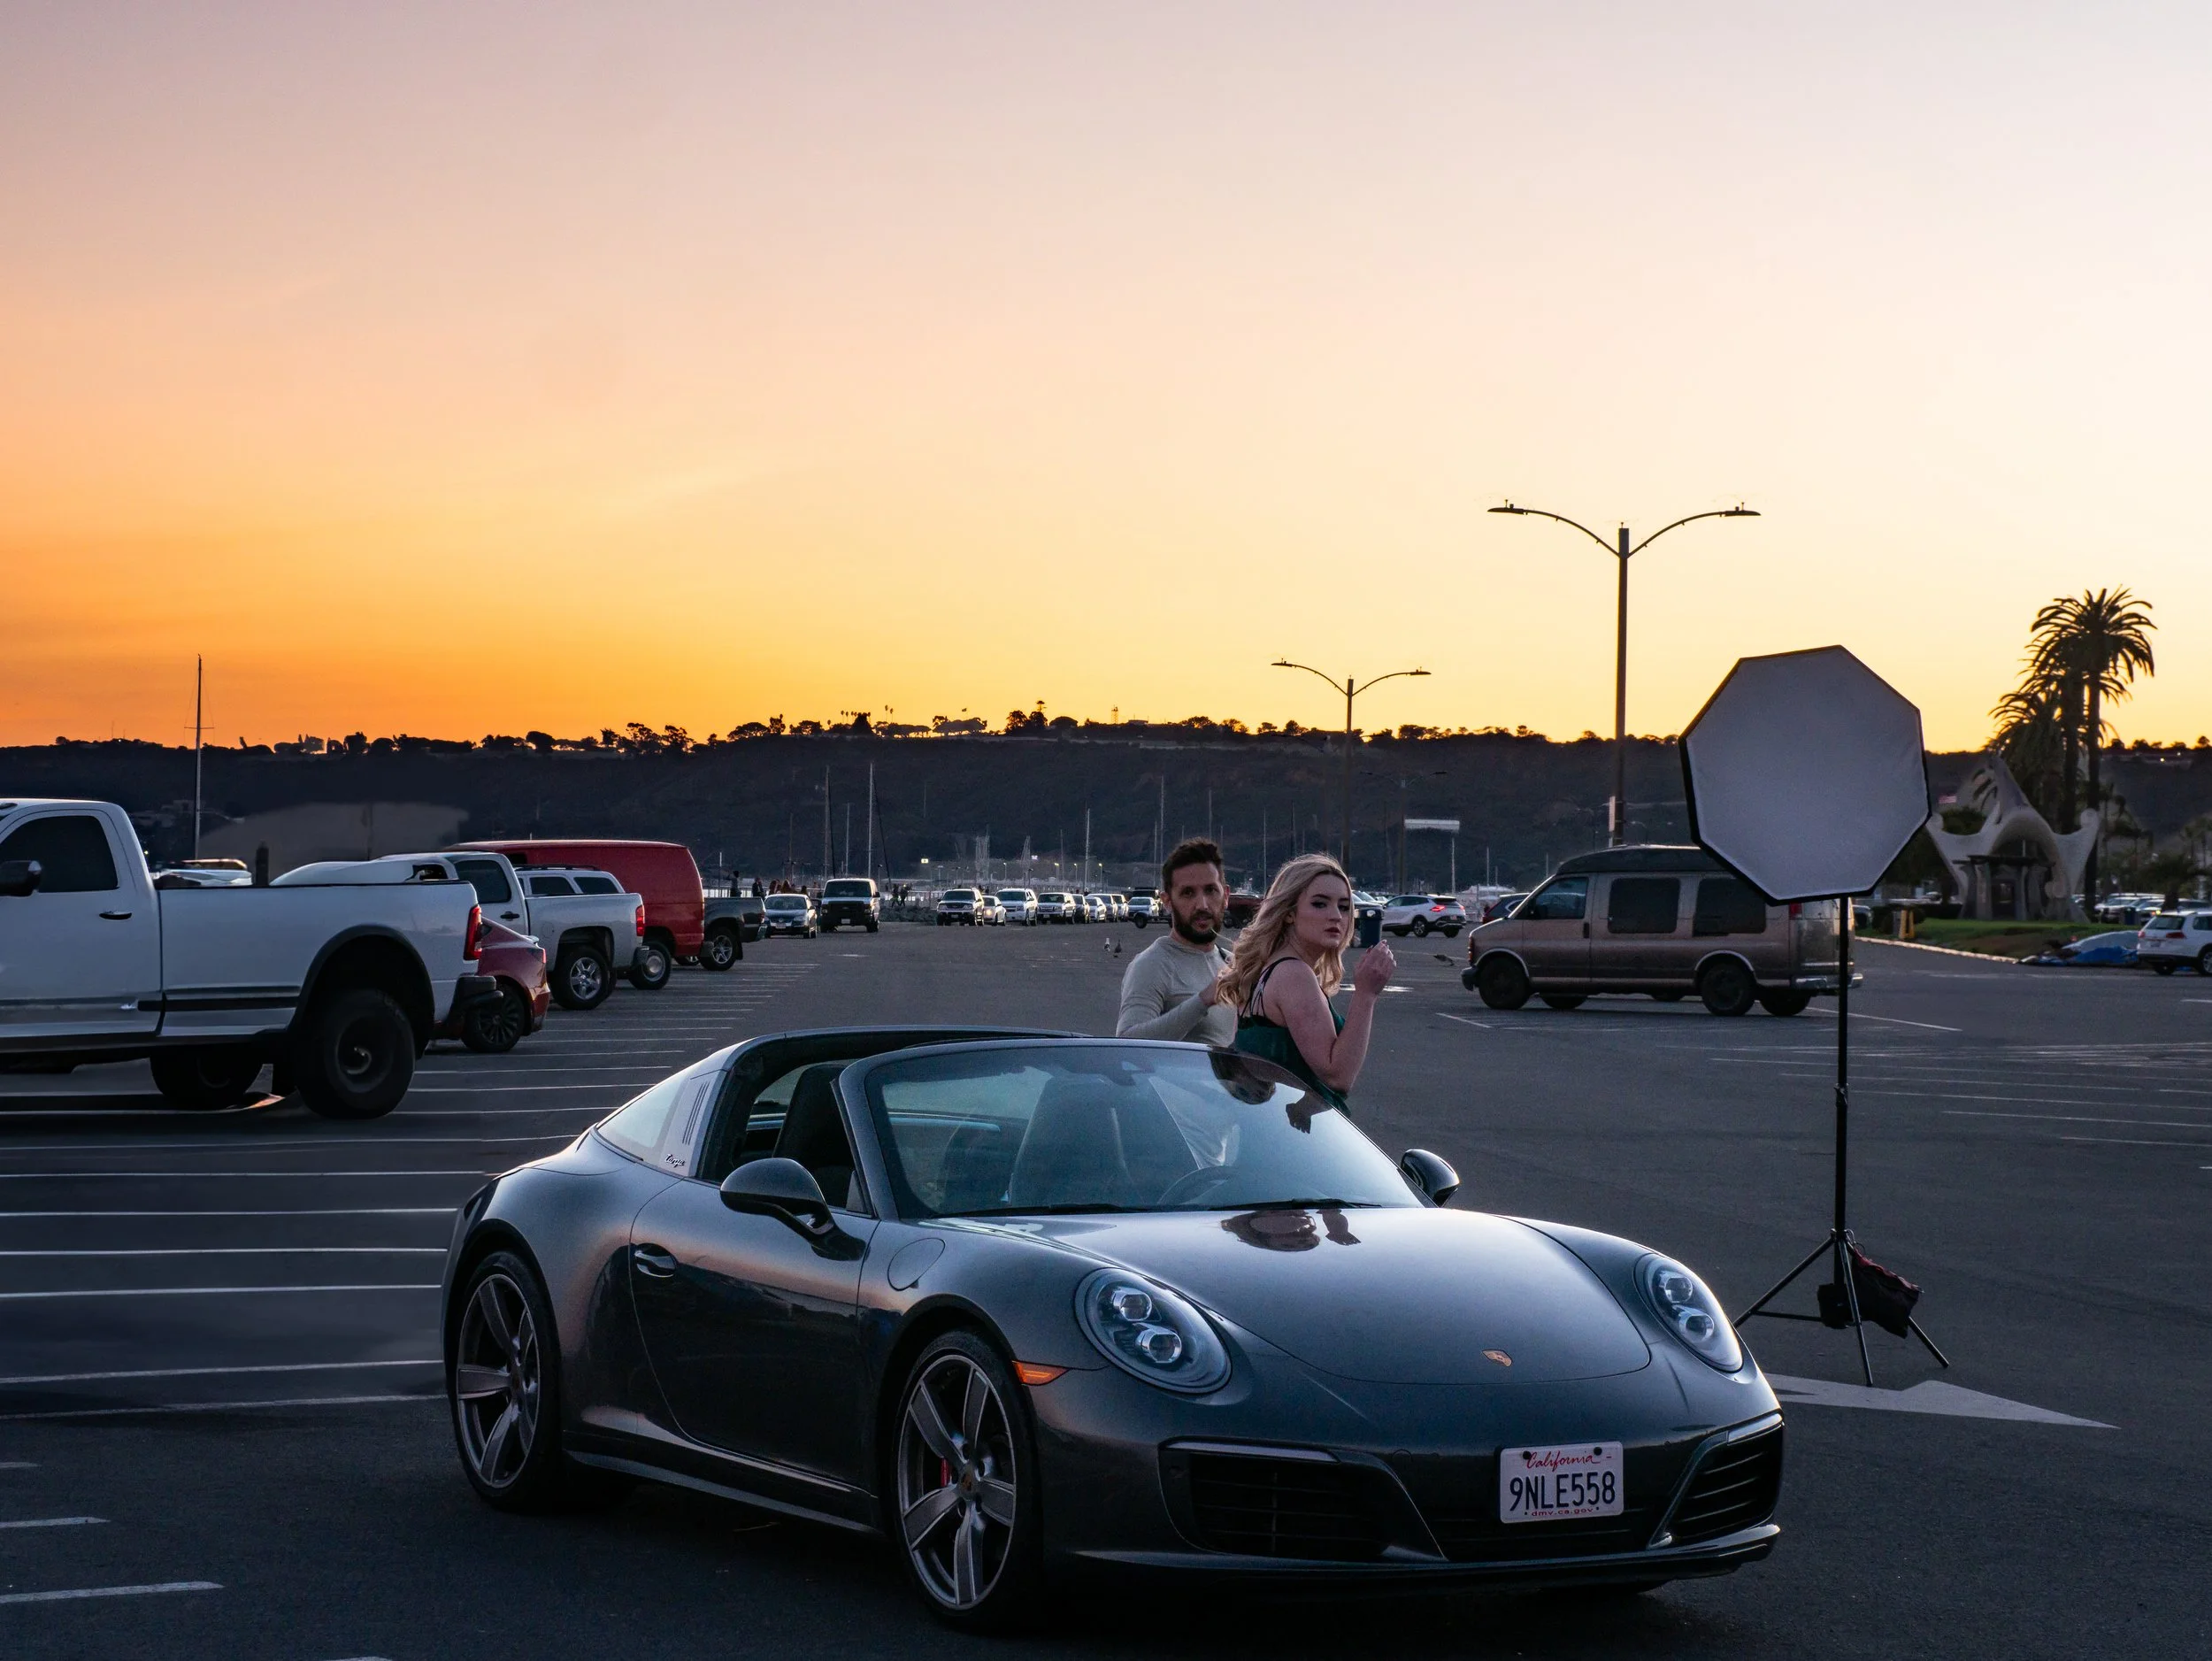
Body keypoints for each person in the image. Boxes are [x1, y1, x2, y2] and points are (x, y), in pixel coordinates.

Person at [1216, 852, 1394, 1112]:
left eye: (1344, 907)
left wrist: (1303, 1110)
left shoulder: (1266, 970)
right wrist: (1366, 993)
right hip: (1280, 1133)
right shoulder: (1293, 974)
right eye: (1320, 904)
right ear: (1289, 913)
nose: (1336, 916)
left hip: (1268, 1124)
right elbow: (1337, 1077)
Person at [1115, 838, 1236, 1045]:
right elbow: (1127, 1042)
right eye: (1188, 893)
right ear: (1167, 901)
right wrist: (1203, 1000)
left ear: (1225, 896)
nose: (1202, 905)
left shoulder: (1231, 963)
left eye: (1210, 890)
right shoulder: (1152, 964)